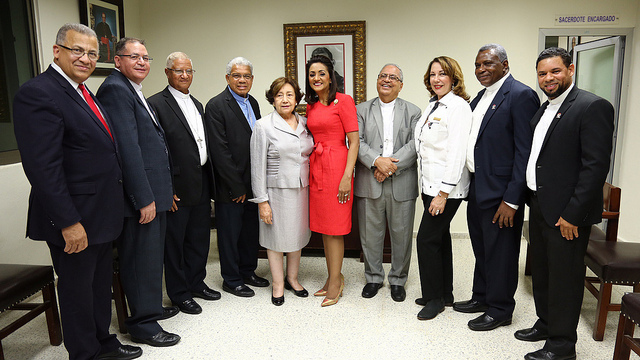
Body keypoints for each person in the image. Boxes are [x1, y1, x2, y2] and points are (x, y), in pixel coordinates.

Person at [13, 23, 142, 360]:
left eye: (92, 53)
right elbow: (43, 169)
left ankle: (103, 343)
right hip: (75, 218)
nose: (86, 58)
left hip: (100, 214)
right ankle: (84, 353)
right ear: (57, 51)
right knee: (76, 293)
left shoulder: (84, 91)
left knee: (98, 289)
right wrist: (68, 222)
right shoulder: (39, 92)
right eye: (77, 50)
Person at [516, 47, 614, 360]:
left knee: (565, 279)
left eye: (555, 71)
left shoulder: (591, 106)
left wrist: (572, 213)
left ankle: (561, 346)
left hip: (567, 214)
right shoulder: (544, 109)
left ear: (570, 70)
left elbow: (595, 167)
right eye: (542, 73)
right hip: (541, 204)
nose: (548, 78)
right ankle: (546, 324)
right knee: (544, 273)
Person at [97, 37, 180, 347]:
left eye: (146, 57)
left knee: (151, 258)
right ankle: (143, 325)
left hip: (154, 192)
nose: (142, 62)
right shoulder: (116, 89)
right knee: (140, 261)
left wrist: (164, 191)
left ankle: (151, 308)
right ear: (117, 60)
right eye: (134, 57)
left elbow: (153, 145)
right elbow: (128, 150)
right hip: (139, 199)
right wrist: (143, 198)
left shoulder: (133, 89)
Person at [453, 44, 539, 331]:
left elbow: (524, 153)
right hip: (479, 186)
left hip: (502, 193)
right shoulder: (480, 97)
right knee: (482, 248)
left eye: (488, 64)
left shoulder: (521, 95)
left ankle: (501, 309)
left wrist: (512, 200)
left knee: (501, 252)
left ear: (504, 64)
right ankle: (482, 298)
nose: (481, 70)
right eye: (478, 65)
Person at [147, 52, 220, 316]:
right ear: (167, 72)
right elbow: (155, 151)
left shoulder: (197, 104)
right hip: (176, 187)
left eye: (189, 71)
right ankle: (179, 293)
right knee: (175, 243)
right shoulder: (155, 103)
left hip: (200, 181)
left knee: (199, 238)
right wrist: (167, 190)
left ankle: (196, 283)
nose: (184, 76)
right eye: (178, 71)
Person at [355, 63, 421, 302]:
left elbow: (415, 144)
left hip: (402, 181)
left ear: (401, 85)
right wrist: (376, 161)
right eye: (383, 75)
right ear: (377, 80)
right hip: (369, 180)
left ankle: (398, 280)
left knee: (401, 234)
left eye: (393, 77)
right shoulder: (360, 109)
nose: (387, 80)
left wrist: (389, 166)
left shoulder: (414, 112)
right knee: (370, 234)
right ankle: (373, 277)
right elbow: (355, 141)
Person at [414, 56, 472, 321]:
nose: (436, 79)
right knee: (439, 237)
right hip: (430, 183)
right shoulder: (434, 105)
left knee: (426, 239)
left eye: (442, 74)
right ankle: (444, 293)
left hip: (446, 188)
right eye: (432, 74)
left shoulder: (458, 106)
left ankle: (434, 299)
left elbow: (457, 153)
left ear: (453, 78)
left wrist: (443, 193)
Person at [206, 57, 269, 298]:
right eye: (236, 75)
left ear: (252, 79)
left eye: (246, 76)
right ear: (227, 78)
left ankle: (247, 271)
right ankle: (231, 279)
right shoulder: (216, 106)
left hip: (253, 181)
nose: (242, 80)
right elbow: (219, 150)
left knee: (249, 232)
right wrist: (237, 185)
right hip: (231, 185)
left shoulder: (252, 102)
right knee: (230, 235)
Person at [249, 77, 314, 306]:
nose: (285, 99)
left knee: (296, 237)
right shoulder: (263, 126)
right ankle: (278, 284)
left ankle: (292, 279)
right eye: (279, 95)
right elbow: (257, 167)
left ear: (297, 98)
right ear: (273, 100)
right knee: (275, 239)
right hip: (275, 192)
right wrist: (262, 201)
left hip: (301, 189)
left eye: (289, 94)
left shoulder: (306, 123)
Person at [305, 55, 359, 307]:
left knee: (336, 228)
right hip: (317, 168)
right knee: (325, 227)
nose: (316, 78)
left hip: (338, 167)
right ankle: (333, 276)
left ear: (331, 76)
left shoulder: (344, 101)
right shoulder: (311, 105)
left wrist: (347, 176)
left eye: (321, 73)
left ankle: (336, 283)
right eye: (312, 74)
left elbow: (354, 141)